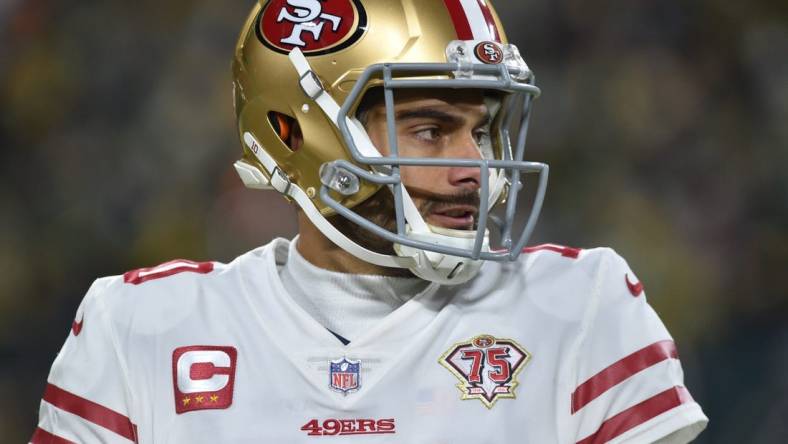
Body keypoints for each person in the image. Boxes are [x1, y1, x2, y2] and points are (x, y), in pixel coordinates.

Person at [31, 0, 708, 442]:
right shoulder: (141, 327)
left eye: (484, 129)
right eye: (431, 130)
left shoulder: (580, 309)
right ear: (294, 133)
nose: (476, 167)